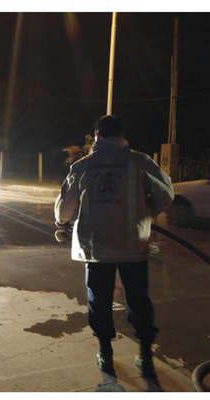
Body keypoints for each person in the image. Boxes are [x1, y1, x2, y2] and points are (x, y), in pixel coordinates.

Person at [54, 115, 174, 380]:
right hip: (134, 246)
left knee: (100, 299)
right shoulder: (140, 162)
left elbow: (64, 210)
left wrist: (62, 221)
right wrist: (149, 211)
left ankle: (105, 353)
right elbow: (166, 195)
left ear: (96, 136)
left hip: (96, 250)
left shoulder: (82, 166)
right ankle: (144, 355)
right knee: (138, 300)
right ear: (122, 135)